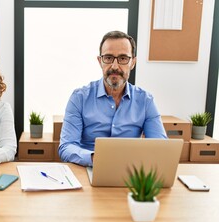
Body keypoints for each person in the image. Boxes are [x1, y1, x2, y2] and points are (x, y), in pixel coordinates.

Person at [58, 30, 167, 167]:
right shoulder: (79, 98)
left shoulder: (145, 101)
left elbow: (161, 147)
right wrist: (94, 158)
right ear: (100, 61)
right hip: (90, 167)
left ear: (133, 62)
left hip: (130, 170)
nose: (115, 66)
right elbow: (66, 147)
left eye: (123, 58)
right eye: (108, 58)